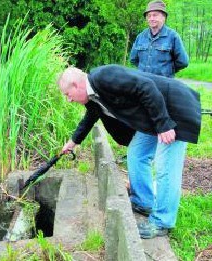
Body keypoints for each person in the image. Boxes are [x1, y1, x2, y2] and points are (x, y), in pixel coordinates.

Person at [58, 64, 201, 239]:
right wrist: (73, 142)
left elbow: (146, 86)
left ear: (76, 85)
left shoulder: (104, 76)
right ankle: (143, 202)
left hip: (173, 111)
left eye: (67, 95)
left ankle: (163, 222)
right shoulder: (94, 96)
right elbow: (90, 117)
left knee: (166, 168)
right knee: (136, 154)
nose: (69, 100)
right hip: (152, 116)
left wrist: (163, 123)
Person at [130, 0, 189, 78]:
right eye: (149, 15)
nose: (151, 18)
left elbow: (183, 62)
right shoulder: (140, 37)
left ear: (164, 17)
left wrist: (168, 71)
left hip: (164, 85)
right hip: (143, 84)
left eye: (155, 15)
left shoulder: (173, 36)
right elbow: (133, 59)